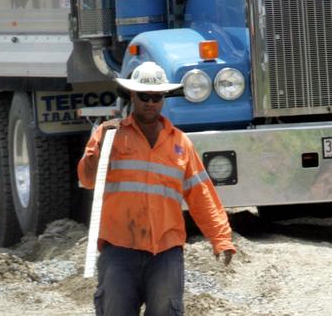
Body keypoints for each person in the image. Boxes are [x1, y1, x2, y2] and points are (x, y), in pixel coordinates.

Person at [77, 61, 236, 316]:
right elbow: (87, 179)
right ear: (132, 95)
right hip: (119, 249)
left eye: (157, 97)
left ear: (164, 98)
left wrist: (221, 239)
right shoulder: (111, 136)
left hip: (165, 252)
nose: (150, 102)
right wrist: (96, 151)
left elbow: (201, 194)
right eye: (144, 96)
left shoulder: (180, 143)